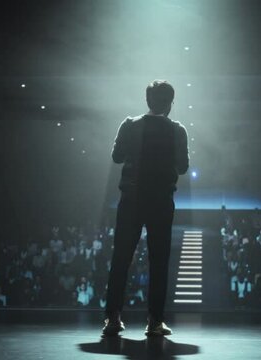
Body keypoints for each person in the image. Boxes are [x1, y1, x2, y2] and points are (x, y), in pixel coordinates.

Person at [102, 80, 189, 337]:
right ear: (170, 103)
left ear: (147, 100)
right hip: (161, 201)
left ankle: (113, 318)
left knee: (121, 259)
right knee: (159, 261)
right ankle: (155, 321)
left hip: (131, 199)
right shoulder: (177, 130)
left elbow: (117, 157)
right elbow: (183, 167)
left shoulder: (129, 125)